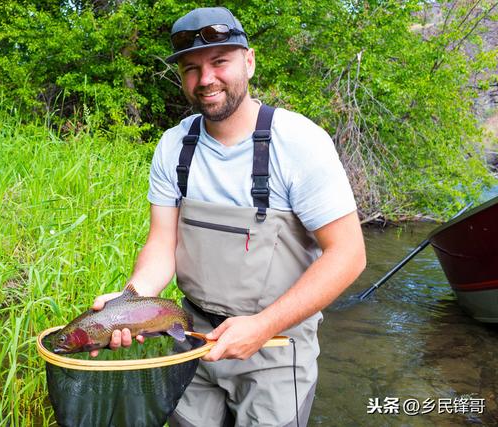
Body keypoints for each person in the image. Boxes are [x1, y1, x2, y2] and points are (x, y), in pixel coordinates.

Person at [91, 6, 366, 427]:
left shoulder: (300, 143)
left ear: (249, 61)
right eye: (191, 68)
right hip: (190, 337)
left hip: (276, 343)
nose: (206, 80)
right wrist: (131, 301)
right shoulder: (173, 145)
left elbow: (348, 255)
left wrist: (263, 324)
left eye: (220, 62)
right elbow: (162, 244)